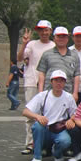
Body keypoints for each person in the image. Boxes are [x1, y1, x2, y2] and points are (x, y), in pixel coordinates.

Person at [21, 70, 76, 161]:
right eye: (56, 80)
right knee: (37, 127)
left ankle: (57, 153)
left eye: (61, 81)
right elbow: (25, 111)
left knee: (65, 141)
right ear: (51, 82)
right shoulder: (43, 95)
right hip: (45, 127)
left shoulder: (68, 97)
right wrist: (38, 116)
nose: (59, 83)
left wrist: (71, 120)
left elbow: (74, 113)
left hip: (59, 128)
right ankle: (37, 156)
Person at [17, 20, 55, 154]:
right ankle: (30, 143)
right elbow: (20, 58)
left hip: (48, 84)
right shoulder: (32, 44)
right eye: (41, 30)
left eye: (46, 30)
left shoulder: (54, 46)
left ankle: (44, 143)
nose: (44, 32)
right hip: (32, 82)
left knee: (47, 114)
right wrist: (24, 43)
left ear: (50, 31)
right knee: (31, 114)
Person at [36, 27, 81, 102]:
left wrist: (75, 93)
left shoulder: (74, 55)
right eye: (59, 36)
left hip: (67, 94)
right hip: (48, 93)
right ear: (54, 38)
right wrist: (40, 92)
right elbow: (42, 74)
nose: (61, 39)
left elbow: (76, 76)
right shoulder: (47, 54)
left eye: (64, 36)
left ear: (67, 38)